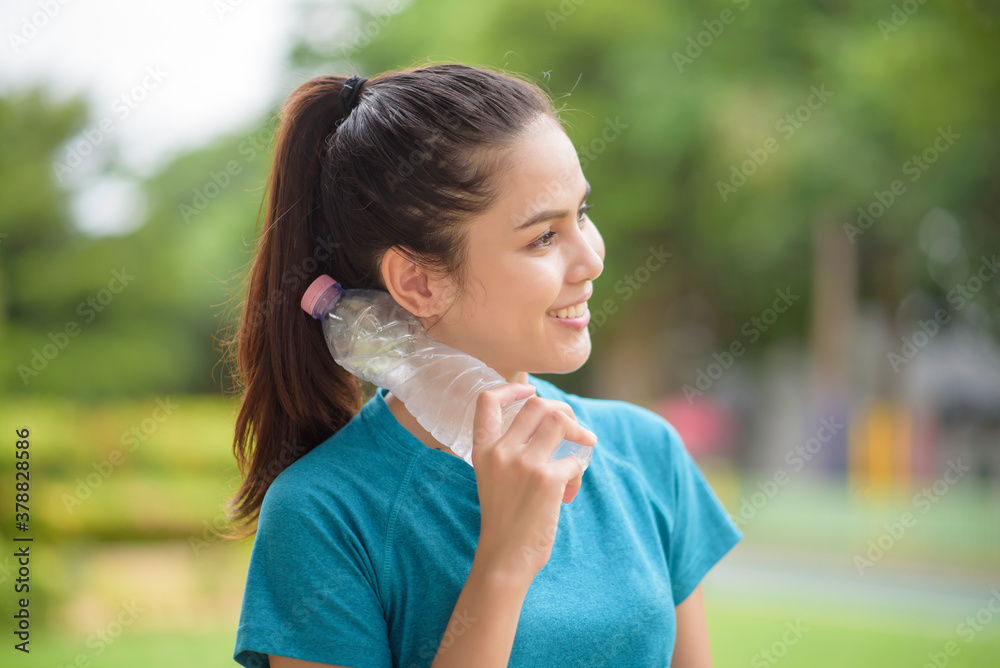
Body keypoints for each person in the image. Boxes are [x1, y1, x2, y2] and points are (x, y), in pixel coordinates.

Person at [224, 63, 742, 668]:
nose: (591, 259)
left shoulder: (645, 451)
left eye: (582, 213)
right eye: (542, 238)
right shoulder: (324, 513)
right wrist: (504, 561)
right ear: (417, 281)